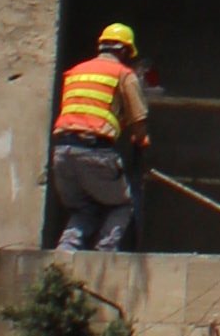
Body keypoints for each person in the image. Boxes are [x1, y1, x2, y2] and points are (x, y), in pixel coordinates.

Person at [46, 20, 151, 253]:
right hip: (94, 151)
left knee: (84, 209)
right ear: (124, 50)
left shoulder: (76, 71)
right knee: (123, 204)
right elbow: (138, 118)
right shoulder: (123, 73)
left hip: (62, 153)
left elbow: (88, 108)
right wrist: (141, 139)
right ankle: (104, 253)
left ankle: (64, 254)